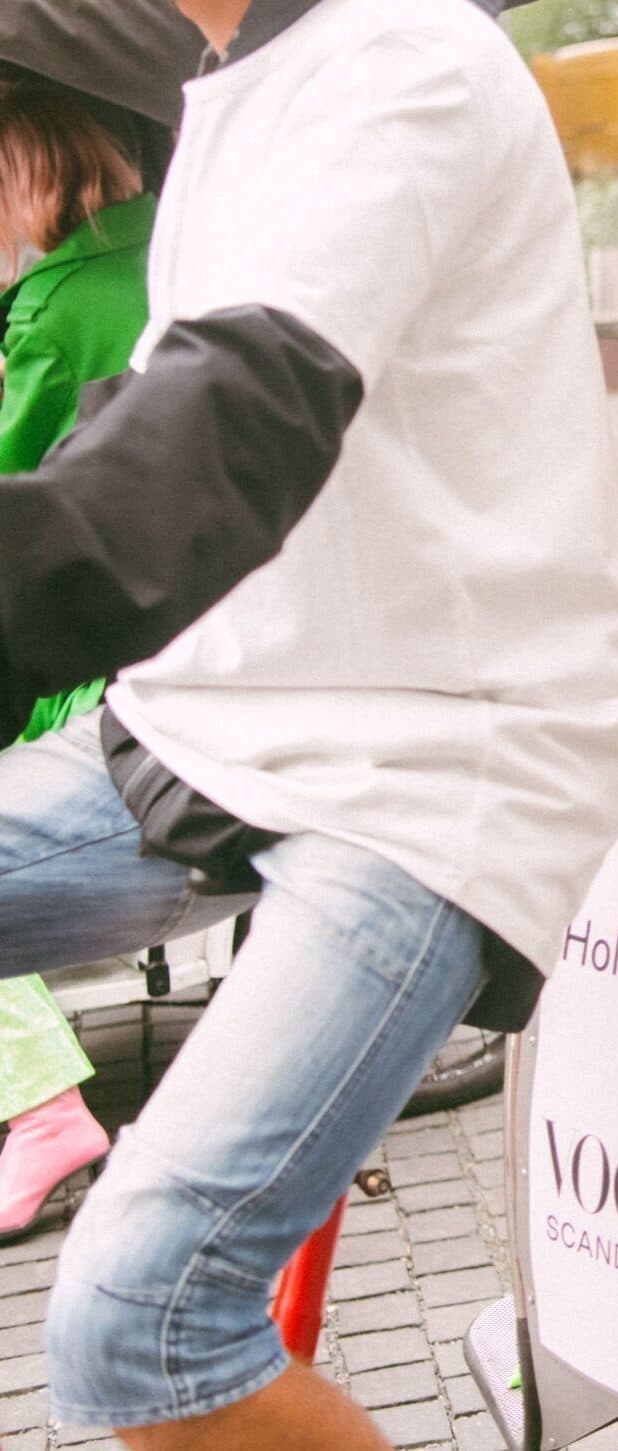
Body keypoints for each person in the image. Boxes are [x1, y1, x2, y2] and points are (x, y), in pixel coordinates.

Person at [0, 1, 618, 1447]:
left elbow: (213, 439)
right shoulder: (233, 81)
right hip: (209, 717)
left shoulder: (400, 62)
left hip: (428, 761)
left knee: (140, 1322)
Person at [0, 79, 157, 1240]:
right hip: (165, 621)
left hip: (83, 656)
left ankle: (43, 1102)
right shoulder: (178, 252)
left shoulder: (50, 315)